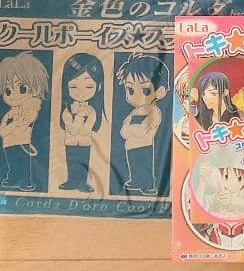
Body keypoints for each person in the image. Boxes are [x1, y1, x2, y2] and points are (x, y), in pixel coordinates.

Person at [116, 55, 170, 196]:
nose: (136, 96)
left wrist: (132, 130)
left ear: (160, 91)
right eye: (130, 90)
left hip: (146, 147)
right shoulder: (134, 112)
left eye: (146, 90)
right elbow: (123, 131)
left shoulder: (154, 112)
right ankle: (136, 181)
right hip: (130, 146)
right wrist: (131, 130)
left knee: (146, 167)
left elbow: (142, 130)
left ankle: (148, 185)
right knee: (134, 165)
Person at [0, 53, 49, 191]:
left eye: (22, 88)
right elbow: (2, 131)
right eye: (8, 90)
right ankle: (13, 178)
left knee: (23, 163)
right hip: (8, 144)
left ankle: (26, 181)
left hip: (22, 143)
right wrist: (14, 124)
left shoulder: (30, 107)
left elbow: (28, 119)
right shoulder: (9, 114)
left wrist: (32, 102)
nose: (13, 95)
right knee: (12, 163)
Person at [58, 53, 106, 192]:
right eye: (73, 87)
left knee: (83, 162)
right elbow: (72, 130)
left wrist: (79, 118)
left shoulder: (91, 111)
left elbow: (85, 131)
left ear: (98, 87)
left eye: (89, 87)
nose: (80, 92)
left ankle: (82, 183)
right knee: (71, 162)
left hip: (85, 142)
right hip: (70, 142)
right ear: (66, 87)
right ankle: (71, 181)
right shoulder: (67, 110)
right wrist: (80, 116)